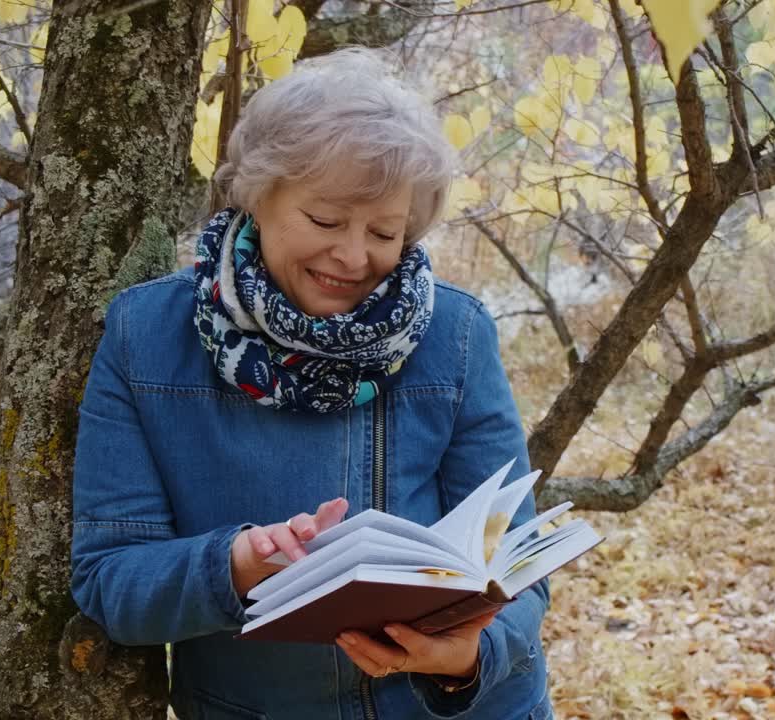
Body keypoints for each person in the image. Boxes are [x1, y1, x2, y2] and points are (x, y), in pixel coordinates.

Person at [70, 47, 552, 720]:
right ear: (259, 193)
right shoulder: (146, 336)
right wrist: (234, 564)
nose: (355, 258)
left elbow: (517, 563)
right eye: (325, 221)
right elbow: (110, 580)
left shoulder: (455, 334)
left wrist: (470, 656)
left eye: (384, 232)